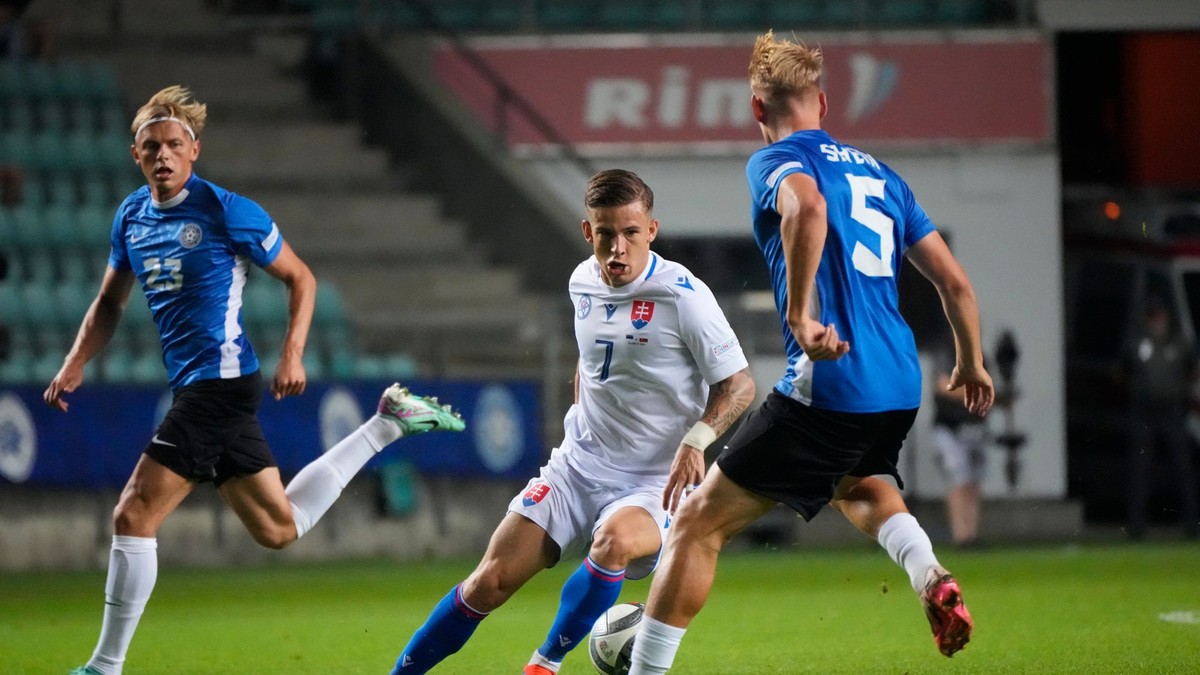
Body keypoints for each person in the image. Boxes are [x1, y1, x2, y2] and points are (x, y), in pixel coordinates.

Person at [45, 86, 466, 675]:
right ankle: (386, 426)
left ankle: (104, 666)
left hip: (218, 384)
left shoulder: (225, 209)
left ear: (193, 149)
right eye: (151, 147)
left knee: (133, 514)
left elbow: (301, 278)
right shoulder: (130, 217)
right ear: (135, 155)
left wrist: (292, 354)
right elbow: (108, 303)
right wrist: (75, 361)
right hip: (206, 386)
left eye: (173, 144)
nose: (162, 155)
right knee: (279, 526)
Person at [628, 32, 994, 674]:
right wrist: (970, 361)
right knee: (860, 486)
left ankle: (644, 671)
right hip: (899, 384)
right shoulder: (882, 175)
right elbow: (955, 282)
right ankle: (930, 574)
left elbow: (807, 206)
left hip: (834, 380)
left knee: (695, 525)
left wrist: (799, 315)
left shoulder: (772, 162)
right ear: (823, 105)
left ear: (756, 109)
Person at [388, 169, 756, 675]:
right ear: (589, 233)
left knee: (615, 544)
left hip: (653, 483)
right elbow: (593, 360)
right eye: (606, 234)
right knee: (487, 583)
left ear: (652, 230)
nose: (618, 249)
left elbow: (739, 385)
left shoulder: (684, 297)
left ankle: (544, 663)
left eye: (631, 233)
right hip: (577, 468)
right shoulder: (581, 280)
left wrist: (697, 441)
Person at [1122, 297, 1198, 539]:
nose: (1158, 322)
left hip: (1172, 411)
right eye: (1154, 317)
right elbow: (1123, 370)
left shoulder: (1179, 344)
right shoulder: (1137, 343)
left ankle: (1191, 523)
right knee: (1140, 468)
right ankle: (1137, 525)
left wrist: (1182, 391)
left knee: (1183, 467)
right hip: (1144, 412)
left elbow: (1192, 369)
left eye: (1161, 317)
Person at [930, 327, 989, 548]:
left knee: (973, 482)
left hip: (974, 427)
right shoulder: (947, 352)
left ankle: (972, 534)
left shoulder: (980, 354)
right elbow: (943, 385)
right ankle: (960, 535)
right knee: (958, 480)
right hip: (950, 427)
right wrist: (973, 392)